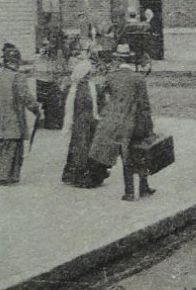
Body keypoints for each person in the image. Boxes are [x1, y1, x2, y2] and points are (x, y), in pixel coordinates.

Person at [89, 44, 156, 200]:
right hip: (135, 123)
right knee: (140, 153)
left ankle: (129, 192)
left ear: (117, 59)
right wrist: (149, 127)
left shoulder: (111, 77)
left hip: (115, 122)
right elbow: (145, 105)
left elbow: (101, 96)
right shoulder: (138, 78)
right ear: (131, 59)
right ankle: (143, 187)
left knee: (125, 156)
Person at [0, 43, 42, 185]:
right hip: (13, 118)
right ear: (15, 62)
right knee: (13, 146)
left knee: (0, 146)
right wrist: (36, 108)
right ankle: (5, 176)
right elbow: (25, 97)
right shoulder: (18, 77)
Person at [62, 47, 108, 188]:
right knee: (88, 148)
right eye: (88, 73)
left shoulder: (73, 89)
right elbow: (102, 104)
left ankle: (75, 176)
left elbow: (66, 107)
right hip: (89, 123)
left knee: (79, 148)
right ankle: (89, 177)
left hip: (81, 124)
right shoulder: (93, 88)